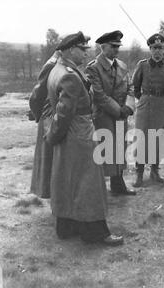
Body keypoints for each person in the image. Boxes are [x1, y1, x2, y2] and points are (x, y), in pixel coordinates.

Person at [44, 31, 123, 245]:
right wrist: (54, 136)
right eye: (82, 49)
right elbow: (64, 112)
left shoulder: (58, 70)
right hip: (79, 132)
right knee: (90, 185)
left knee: (68, 181)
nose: (85, 54)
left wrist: (54, 136)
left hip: (69, 134)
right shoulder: (69, 75)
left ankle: (67, 226)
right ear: (70, 50)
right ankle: (96, 233)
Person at [85, 30, 136, 196]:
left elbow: (131, 88)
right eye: (113, 46)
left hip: (121, 115)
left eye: (118, 46)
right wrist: (118, 111)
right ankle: (96, 188)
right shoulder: (93, 68)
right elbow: (99, 95)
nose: (117, 49)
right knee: (103, 151)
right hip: (104, 116)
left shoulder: (122, 65)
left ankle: (118, 184)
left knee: (120, 149)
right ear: (103, 46)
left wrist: (128, 107)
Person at [131, 33, 164, 187]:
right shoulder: (142, 65)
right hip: (146, 106)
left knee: (159, 139)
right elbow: (135, 86)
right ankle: (139, 173)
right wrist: (145, 99)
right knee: (142, 138)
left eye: (160, 48)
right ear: (150, 49)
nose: (157, 51)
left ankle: (154, 170)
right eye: (154, 48)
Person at [29, 50, 61, 198]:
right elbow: (37, 94)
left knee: (52, 156)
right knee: (48, 155)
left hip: (53, 113)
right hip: (49, 114)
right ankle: (47, 191)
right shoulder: (51, 64)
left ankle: (51, 191)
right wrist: (39, 115)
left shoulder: (58, 63)